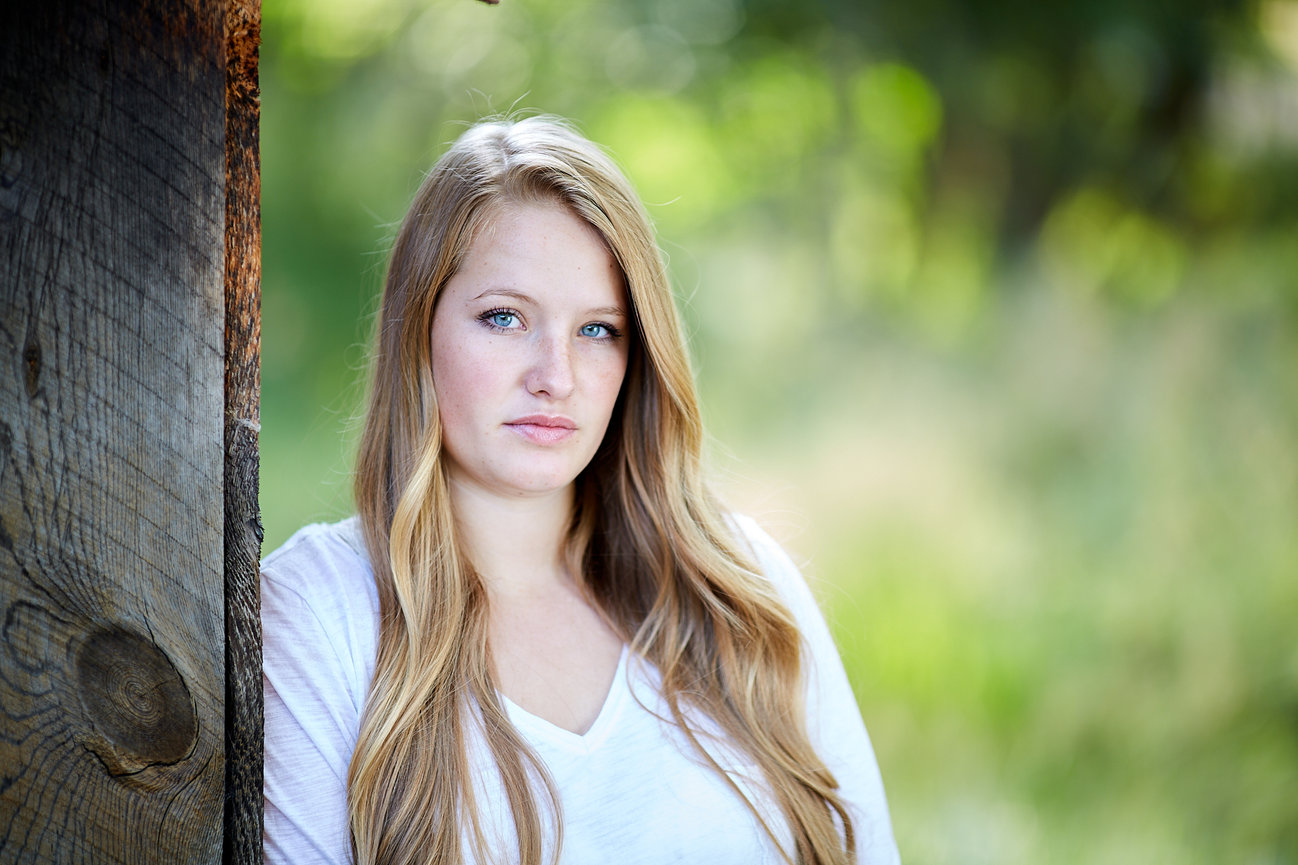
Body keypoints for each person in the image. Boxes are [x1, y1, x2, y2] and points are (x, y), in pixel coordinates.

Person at [262, 115, 900, 865]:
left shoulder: (738, 589)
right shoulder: (320, 612)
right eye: (505, 318)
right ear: (419, 332)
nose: (555, 376)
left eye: (597, 330)